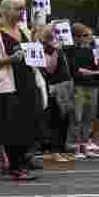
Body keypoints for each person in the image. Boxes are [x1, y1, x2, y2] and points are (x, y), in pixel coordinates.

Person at [0, 0, 42, 182]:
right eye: (18, 9)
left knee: (28, 125)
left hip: (27, 83)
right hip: (9, 87)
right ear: (6, 10)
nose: (22, 12)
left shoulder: (24, 29)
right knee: (13, 128)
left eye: (23, 9)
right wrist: (9, 59)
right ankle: (15, 167)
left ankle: (23, 163)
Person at [68, 23, 99, 158]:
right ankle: (76, 147)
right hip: (79, 86)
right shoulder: (72, 50)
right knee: (77, 117)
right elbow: (78, 71)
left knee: (88, 117)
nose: (89, 38)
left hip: (93, 86)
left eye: (90, 35)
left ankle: (85, 146)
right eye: (85, 35)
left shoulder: (94, 50)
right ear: (77, 37)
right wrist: (95, 72)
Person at [38, 25, 76, 162]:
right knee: (56, 119)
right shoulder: (47, 48)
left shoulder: (58, 47)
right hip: (55, 87)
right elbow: (50, 68)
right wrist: (55, 50)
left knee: (65, 118)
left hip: (65, 85)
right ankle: (55, 150)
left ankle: (61, 147)